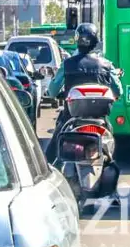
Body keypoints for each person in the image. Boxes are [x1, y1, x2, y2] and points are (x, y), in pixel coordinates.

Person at [45, 22, 122, 162]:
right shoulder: (106, 65)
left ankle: (50, 169)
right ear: (96, 41)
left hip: (71, 117)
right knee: (110, 141)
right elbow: (118, 91)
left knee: (52, 153)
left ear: (77, 40)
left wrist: (57, 94)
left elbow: (52, 91)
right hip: (100, 119)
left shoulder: (67, 64)